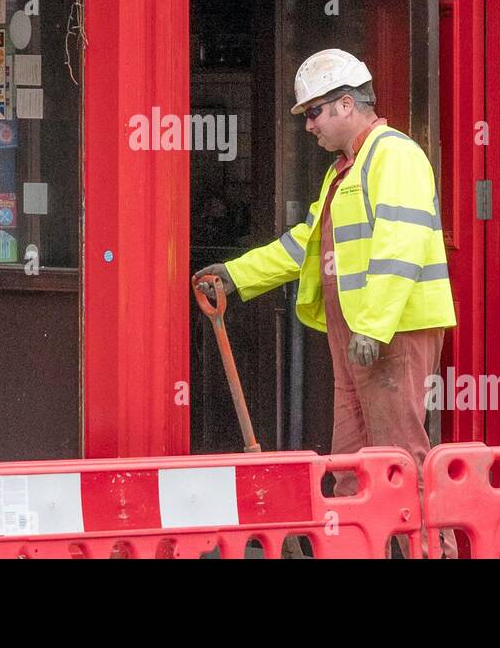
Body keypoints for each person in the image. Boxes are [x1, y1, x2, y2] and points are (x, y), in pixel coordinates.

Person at [193, 48, 457, 557]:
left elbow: (400, 246)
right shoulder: (345, 171)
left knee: (400, 456)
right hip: (360, 335)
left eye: (313, 112)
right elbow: (303, 245)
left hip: (387, 334)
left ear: (344, 104)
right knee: (353, 462)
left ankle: (430, 551)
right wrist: (236, 276)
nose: (308, 126)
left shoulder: (393, 155)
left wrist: (375, 326)